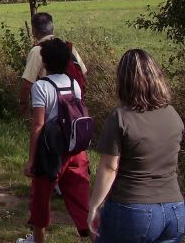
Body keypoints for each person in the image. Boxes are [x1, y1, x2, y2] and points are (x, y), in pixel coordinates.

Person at [87, 49, 184, 243]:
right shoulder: (173, 115)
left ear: (123, 81)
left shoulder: (120, 117)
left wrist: (94, 205)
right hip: (175, 210)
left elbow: (109, 167)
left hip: (133, 210)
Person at [16, 38, 91, 243]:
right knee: (81, 202)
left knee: (40, 201)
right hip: (75, 149)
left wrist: (32, 160)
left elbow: (38, 125)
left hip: (50, 152)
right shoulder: (74, 83)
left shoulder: (41, 86)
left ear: (44, 62)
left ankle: (38, 240)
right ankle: (96, 235)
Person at [19, 12, 87, 116]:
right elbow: (83, 74)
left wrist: (23, 104)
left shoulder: (37, 50)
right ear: (52, 27)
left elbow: (27, 84)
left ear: (34, 31)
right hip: (73, 107)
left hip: (50, 107)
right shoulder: (68, 47)